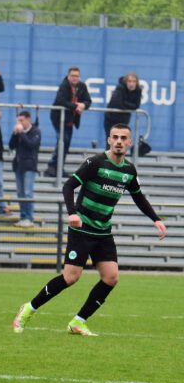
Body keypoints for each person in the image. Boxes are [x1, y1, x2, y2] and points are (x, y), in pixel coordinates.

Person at [13, 123, 166, 336]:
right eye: (115, 137)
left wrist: (155, 219)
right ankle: (29, 308)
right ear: (109, 140)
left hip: (103, 232)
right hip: (82, 229)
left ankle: (79, 321)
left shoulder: (129, 171)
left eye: (124, 138)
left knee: (111, 278)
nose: (119, 141)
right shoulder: (95, 163)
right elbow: (68, 186)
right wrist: (72, 213)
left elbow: (138, 196)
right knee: (70, 278)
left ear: (130, 143)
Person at [46, 67, 91, 176]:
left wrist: (83, 105)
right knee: (62, 141)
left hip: (71, 120)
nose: (75, 78)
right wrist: (76, 106)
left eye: (77, 76)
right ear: (68, 76)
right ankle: (53, 166)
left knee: (66, 144)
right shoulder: (64, 85)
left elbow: (88, 100)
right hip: (58, 118)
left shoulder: (82, 86)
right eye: (73, 76)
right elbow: (60, 100)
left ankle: (59, 167)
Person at [9, 111, 41, 228]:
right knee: (20, 193)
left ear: (28, 120)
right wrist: (14, 134)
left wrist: (21, 133)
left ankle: (29, 218)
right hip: (18, 165)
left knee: (28, 193)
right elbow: (11, 146)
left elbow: (32, 145)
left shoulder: (35, 131)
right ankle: (23, 216)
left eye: (22, 120)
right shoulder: (19, 132)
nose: (19, 123)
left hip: (29, 166)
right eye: (18, 121)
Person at [103, 73, 141, 145]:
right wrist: (130, 105)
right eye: (129, 81)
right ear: (126, 82)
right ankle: (108, 156)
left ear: (137, 82)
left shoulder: (138, 90)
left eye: (134, 81)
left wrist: (124, 103)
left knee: (122, 143)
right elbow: (117, 104)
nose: (131, 84)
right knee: (111, 143)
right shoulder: (120, 88)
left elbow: (136, 106)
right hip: (111, 119)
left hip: (124, 120)